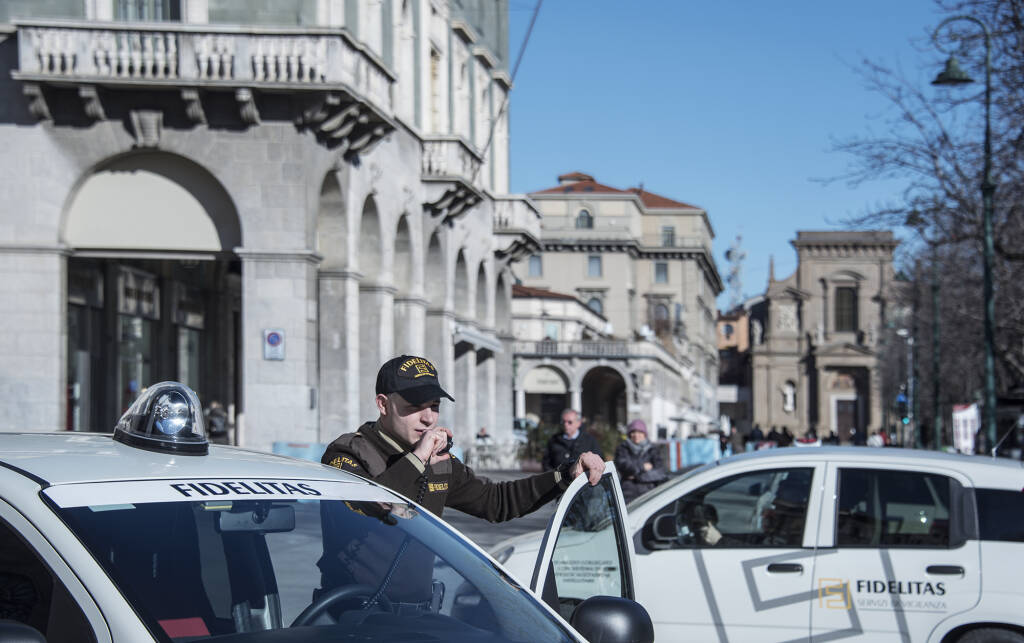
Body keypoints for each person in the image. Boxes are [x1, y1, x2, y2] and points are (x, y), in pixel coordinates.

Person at [322, 355, 604, 521]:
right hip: (354, 608)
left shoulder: (439, 461)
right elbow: (370, 508)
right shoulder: (347, 454)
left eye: (434, 406)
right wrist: (418, 458)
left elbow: (496, 501)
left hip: (418, 608)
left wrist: (565, 474)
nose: (429, 419)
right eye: (414, 407)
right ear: (383, 405)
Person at [614, 420, 667, 502]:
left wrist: (637, 477)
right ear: (629, 434)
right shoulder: (622, 448)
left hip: (650, 492)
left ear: (644, 434)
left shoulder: (652, 449)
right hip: (628, 493)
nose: (636, 435)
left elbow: (661, 472)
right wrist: (642, 467)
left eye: (640, 432)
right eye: (633, 432)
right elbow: (623, 466)